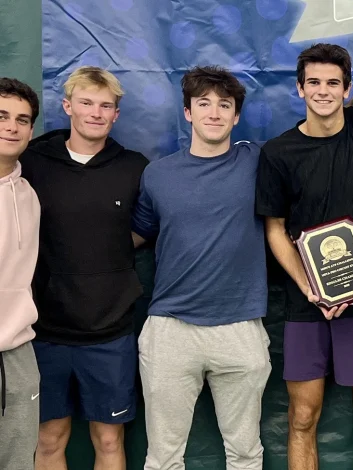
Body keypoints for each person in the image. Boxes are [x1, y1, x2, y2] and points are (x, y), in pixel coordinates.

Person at [256, 43, 353, 470]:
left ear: (347, 87)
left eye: (333, 83)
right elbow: (275, 230)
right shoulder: (278, 153)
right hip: (306, 303)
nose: (322, 91)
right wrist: (310, 286)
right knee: (301, 417)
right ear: (299, 89)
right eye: (313, 82)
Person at [130, 66, 272, 470]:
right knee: (163, 457)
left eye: (224, 105)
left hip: (240, 328)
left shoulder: (258, 162)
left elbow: (313, 140)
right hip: (171, 330)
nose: (214, 113)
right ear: (188, 112)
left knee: (245, 453)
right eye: (203, 103)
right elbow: (137, 235)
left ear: (236, 115)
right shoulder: (158, 175)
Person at [18, 66, 148, 470]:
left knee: (109, 439)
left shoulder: (134, 167)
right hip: (44, 332)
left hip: (109, 332)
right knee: (49, 437)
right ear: (67, 106)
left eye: (105, 105)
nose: (96, 112)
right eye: (87, 103)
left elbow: (146, 228)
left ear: (116, 115)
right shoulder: (34, 159)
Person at [0, 77, 41, 470]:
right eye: (1, 116)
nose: (11, 127)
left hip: (17, 356)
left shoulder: (29, 195)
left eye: (22, 119)